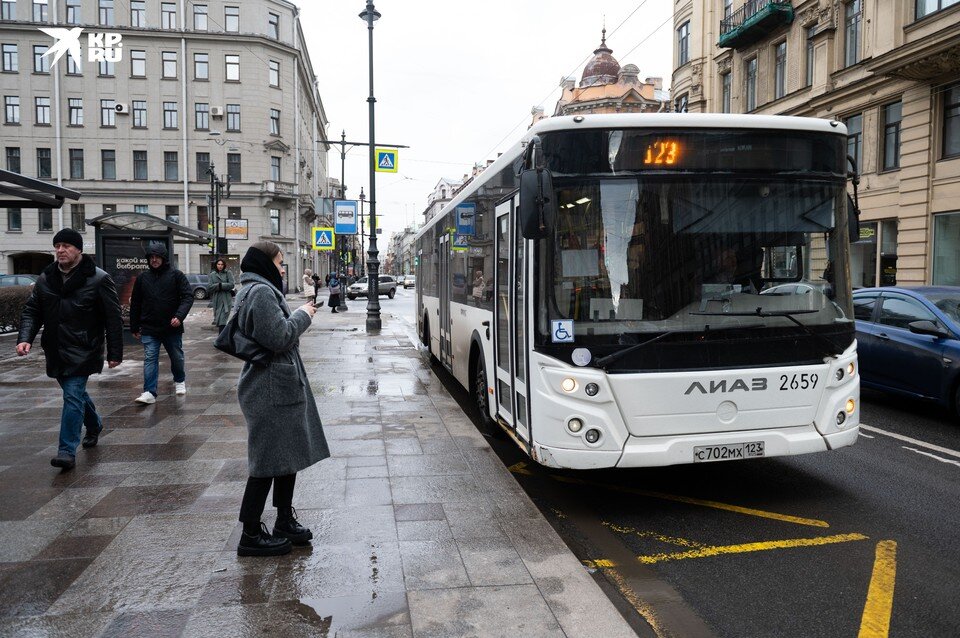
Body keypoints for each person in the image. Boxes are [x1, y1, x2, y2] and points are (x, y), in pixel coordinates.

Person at [233, 241, 328, 556]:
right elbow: (280, 337)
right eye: (279, 261)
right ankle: (250, 533)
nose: (283, 268)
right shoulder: (260, 293)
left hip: (277, 384)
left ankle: (284, 520)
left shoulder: (258, 289)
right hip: (269, 388)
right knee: (265, 461)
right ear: (264, 262)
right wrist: (304, 315)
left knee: (285, 455)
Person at [16, 229, 123, 470]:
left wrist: (115, 352)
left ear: (78, 250)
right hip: (55, 348)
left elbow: (112, 318)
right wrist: (25, 338)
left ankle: (66, 451)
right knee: (75, 395)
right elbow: (33, 311)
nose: (60, 250)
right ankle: (94, 424)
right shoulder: (46, 278)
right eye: (57, 246)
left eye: (66, 246)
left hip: (84, 348)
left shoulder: (98, 278)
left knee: (72, 395)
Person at [130, 242, 194, 404]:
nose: (154, 260)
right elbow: (136, 303)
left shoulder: (176, 275)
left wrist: (179, 316)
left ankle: (179, 380)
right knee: (150, 358)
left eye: (157, 256)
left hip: (171, 327)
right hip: (150, 327)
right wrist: (134, 325)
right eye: (151, 257)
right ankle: (149, 392)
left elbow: (188, 297)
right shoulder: (143, 278)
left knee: (176, 357)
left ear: (164, 258)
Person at [207, 258, 235, 331]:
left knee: (223, 319)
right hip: (217, 299)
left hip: (226, 298)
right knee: (218, 319)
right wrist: (218, 286)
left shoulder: (228, 273)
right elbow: (210, 287)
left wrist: (220, 285)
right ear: (216, 265)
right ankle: (222, 338)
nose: (220, 266)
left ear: (224, 265)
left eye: (222, 264)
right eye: (218, 264)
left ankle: (221, 339)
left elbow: (232, 284)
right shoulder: (212, 274)